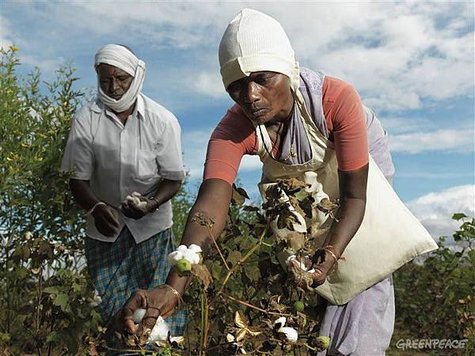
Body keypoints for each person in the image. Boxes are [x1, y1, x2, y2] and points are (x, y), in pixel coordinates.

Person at [119, 9, 435, 355]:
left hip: (359, 163)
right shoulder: (233, 129)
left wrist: (330, 253)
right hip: (304, 186)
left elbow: (356, 201)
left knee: (363, 261)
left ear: (288, 69)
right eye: (236, 87)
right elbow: (208, 209)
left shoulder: (335, 100)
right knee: (303, 266)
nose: (250, 95)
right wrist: (173, 286)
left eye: (262, 79)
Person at [61, 44, 187, 337]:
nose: (114, 87)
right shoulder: (85, 120)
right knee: (115, 316)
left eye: (121, 79)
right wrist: (95, 207)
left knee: (158, 309)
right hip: (105, 233)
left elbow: (173, 179)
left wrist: (150, 204)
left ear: (136, 77)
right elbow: (76, 179)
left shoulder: (162, 121)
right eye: (106, 80)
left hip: (153, 232)